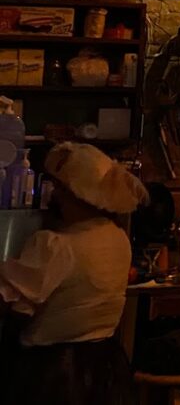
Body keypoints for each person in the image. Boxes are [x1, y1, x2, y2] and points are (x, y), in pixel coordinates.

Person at [0, 142, 149, 405]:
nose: (53, 194)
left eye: (59, 187)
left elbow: (15, 305)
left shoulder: (55, 246)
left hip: (53, 374)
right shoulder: (118, 239)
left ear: (75, 194)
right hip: (107, 369)